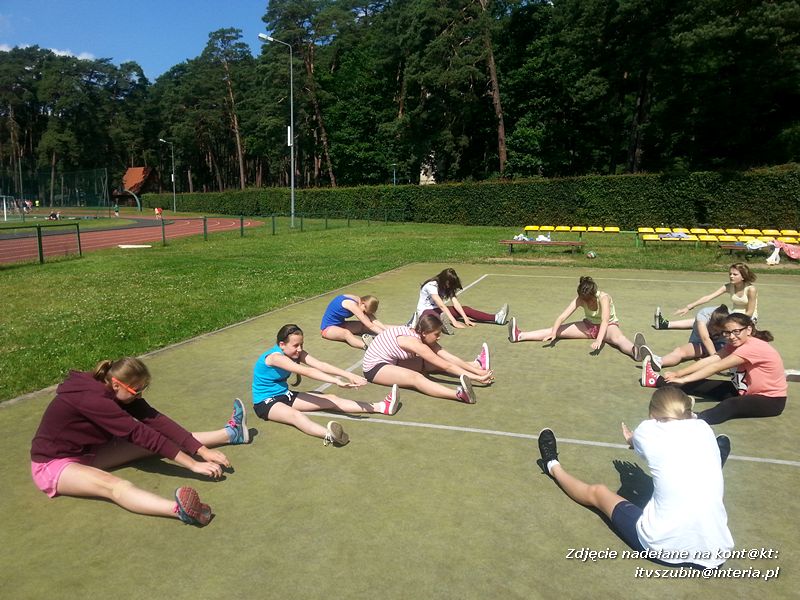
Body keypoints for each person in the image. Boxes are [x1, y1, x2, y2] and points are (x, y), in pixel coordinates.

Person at [30, 357, 248, 527]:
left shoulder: (116, 390)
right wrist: (193, 464)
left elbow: (156, 421)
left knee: (162, 439)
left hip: (88, 452)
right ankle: (179, 510)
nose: (140, 395)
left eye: (144, 389)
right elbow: (141, 434)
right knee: (114, 486)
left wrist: (201, 450)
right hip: (53, 464)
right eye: (137, 390)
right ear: (117, 385)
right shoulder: (93, 399)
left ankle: (230, 434)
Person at [536, 387, 734, 569]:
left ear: (652, 414)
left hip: (661, 547)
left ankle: (551, 465)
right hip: (716, 552)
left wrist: (631, 439)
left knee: (598, 492)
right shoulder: (704, 428)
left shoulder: (646, 431)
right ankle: (708, 466)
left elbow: (637, 442)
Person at [252, 324, 401, 446]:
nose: (300, 349)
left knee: (331, 399)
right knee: (295, 416)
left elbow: (320, 365)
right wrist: (336, 381)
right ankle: (331, 435)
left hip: (285, 395)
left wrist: (348, 375)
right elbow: (308, 372)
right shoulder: (276, 358)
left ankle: (382, 407)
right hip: (266, 403)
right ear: (282, 344)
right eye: (296, 345)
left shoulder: (295, 353)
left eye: (302, 344)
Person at [641, 313, 787, 424]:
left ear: (748, 329)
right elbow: (711, 360)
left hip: (770, 401)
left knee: (731, 405)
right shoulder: (735, 344)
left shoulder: (752, 347)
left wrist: (682, 379)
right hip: (743, 390)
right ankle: (655, 380)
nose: (731, 336)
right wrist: (678, 374)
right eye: (727, 333)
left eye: (736, 331)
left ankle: (694, 419)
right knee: (701, 384)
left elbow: (716, 366)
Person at [363, 313, 493, 404]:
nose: (439, 337)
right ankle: (460, 395)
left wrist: (478, 372)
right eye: (436, 334)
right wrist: (477, 379)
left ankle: (477, 365)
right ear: (424, 333)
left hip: (393, 361)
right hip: (374, 368)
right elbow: (446, 366)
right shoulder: (415, 343)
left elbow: (447, 357)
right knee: (416, 378)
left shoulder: (422, 334)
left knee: (430, 363)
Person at [508, 276, 646, 360]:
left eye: (588, 299)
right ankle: (519, 335)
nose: (586, 302)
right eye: (583, 299)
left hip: (609, 327)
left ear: (593, 294)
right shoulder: (580, 299)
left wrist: (599, 340)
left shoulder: (604, 297)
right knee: (555, 331)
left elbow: (604, 320)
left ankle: (636, 352)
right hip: (589, 327)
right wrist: (554, 332)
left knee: (618, 339)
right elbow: (562, 317)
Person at [654, 263, 758, 330]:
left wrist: (733, 321)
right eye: (730, 274)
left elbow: (750, 312)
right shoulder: (728, 286)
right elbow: (708, 297)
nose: (731, 276)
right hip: (733, 314)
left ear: (743, 276)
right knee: (703, 319)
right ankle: (665, 324)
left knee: (711, 323)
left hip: (747, 318)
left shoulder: (751, 289)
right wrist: (688, 307)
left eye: (735, 274)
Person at [412, 268, 508, 332]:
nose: (450, 286)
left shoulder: (448, 286)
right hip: (425, 312)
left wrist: (465, 318)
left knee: (464, 309)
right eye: (449, 283)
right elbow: (441, 305)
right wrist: (454, 322)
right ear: (444, 279)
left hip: (438, 310)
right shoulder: (431, 285)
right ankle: (441, 325)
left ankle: (497, 318)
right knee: (438, 315)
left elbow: (455, 303)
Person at [639, 305, 730, 371]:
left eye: (720, 330)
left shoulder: (733, 319)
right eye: (713, 328)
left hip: (724, 346)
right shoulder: (704, 315)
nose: (714, 332)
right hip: (701, 341)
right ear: (710, 321)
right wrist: (715, 359)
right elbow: (705, 338)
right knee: (681, 351)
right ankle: (659, 361)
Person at [320, 293, 387, 349]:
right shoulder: (352, 305)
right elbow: (370, 325)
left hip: (341, 324)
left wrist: (386, 331)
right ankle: (368, 347)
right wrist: (385, 335)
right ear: (363, 303)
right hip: (327, 329)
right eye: (364, 311)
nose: (364, 313)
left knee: (363, 326)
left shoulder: (360, 301)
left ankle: (393, 331)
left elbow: (374, 321)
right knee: (346, 333)